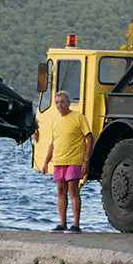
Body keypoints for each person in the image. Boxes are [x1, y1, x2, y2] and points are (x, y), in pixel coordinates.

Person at [42, 90, 93, 233]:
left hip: (74, 160)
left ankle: (76, 224)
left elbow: (89, 138)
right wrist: (46, 162)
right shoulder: (56, 120)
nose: (59, 105)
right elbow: (53, 143)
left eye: (62, 102)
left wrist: (86, 160)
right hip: (59, 161)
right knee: (60, 191)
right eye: (57, 102)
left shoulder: (78, 117)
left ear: (69, 103)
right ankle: (62, 224)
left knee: (73, 190)